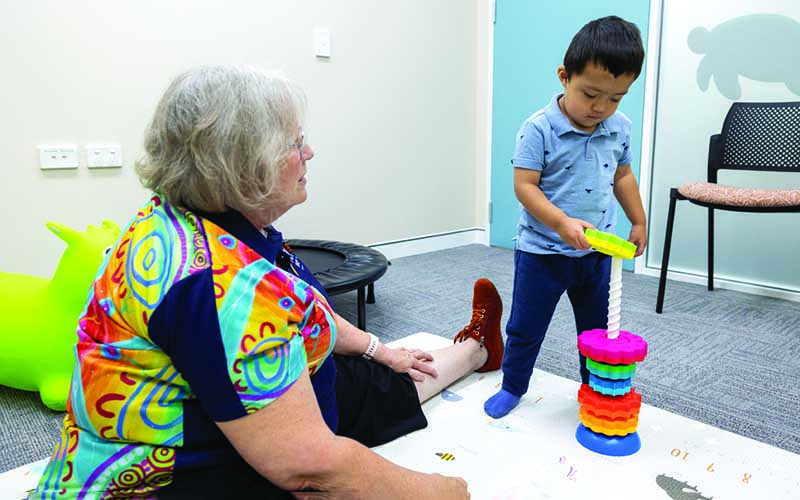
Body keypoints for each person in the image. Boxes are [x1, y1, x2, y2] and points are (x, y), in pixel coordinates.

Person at [30, 65, 504, 500]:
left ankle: (479, 347)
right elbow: (310, 469)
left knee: (393, 377)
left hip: (276, 395)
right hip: (182, 474)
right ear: (244, 168)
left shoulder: (188, 219)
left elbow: (307, 309)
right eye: (295, 143)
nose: (310, 151)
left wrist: (379, 349)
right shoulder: (226, 288)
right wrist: (443, 492)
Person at [484, 16, 648, 419]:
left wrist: (639, 220)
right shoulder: (538, 129)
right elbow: (525, 186)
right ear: (564, 76)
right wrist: (561, 223)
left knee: (596, 334)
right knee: (526, 327)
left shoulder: (619, 127)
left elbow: (623, 174)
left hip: (597, 255)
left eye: (615, 98)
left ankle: (594, 392)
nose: (601, 108)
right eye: (591, 94)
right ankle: (513, 385)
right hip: (543, 254)